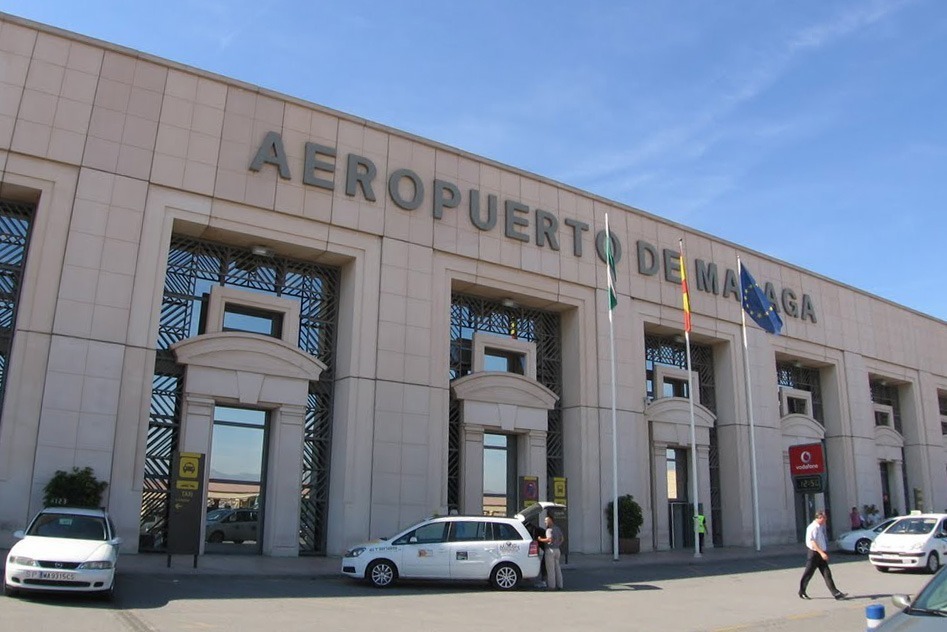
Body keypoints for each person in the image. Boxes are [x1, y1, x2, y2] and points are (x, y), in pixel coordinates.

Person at [798, 511, 846, 601]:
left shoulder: (819, 527)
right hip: (814, 553)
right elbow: (813, 542)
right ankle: (802, 591)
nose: (825, 520)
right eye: (824, 518)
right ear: (819, 518)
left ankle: (836, 593)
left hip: (819, 553)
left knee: (827, 573)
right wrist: (821, 553)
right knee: (808, 573)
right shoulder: (813, 527)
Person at [538, 514, 564, 591]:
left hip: (550, 550)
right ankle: (560, 585)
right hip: (557, 550)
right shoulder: (557, 528)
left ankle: (551, 586)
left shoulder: (549, 530)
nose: (545, 522)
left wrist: (540, 539)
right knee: (557, 568)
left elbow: (549, 539)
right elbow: (562, 539)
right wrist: (557, 544)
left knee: (550, 570)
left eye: (546, 520)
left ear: (550, 520)